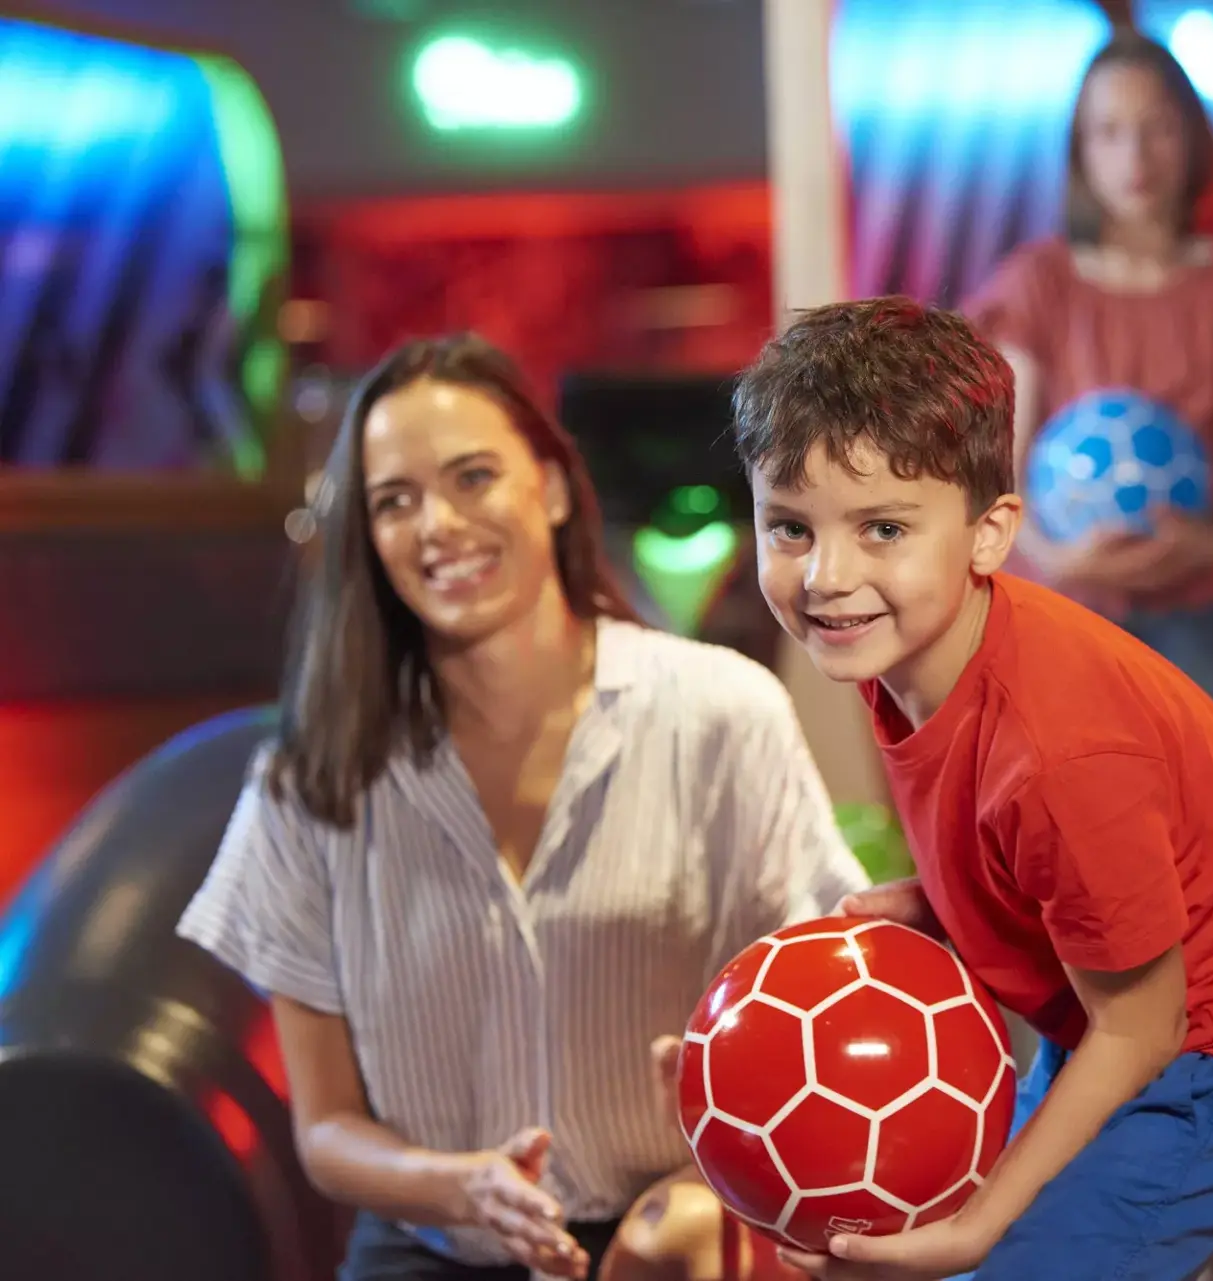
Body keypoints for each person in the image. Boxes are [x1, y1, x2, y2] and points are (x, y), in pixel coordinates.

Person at [175, 333, 866, 1280]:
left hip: (676, 1237)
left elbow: (823, 1006)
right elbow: (327, 1129)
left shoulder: (721, 712)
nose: (437, 525)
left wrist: (702, 1189)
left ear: (547, 486)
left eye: (472, 477)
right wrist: (456, 1186)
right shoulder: (311, 775)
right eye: (395, 500)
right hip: (433, 1244)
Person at [727, 296, 1213, 1281]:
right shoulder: (910, 648)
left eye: (883, 528)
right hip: (1110, 996)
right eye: (790, 528)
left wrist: (977, 1233)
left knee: (1005, 1262)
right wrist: (952, 906)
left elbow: (1146, 1024)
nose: (828, 576)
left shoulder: (1055, 753)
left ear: (989, 532)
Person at [963, 27, 1213, 730]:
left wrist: (1207, 544)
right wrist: (1059, 556)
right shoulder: (1038, 284)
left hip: (1194, 615)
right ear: (1080, 151)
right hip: (1057, 609)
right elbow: (1003, 465)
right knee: (1071, 819)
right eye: (1109, 132)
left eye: (1158, 129)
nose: (1135, 157)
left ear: (1194, 138)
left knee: (1197, 819)